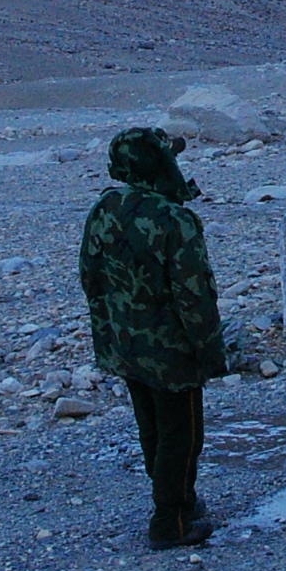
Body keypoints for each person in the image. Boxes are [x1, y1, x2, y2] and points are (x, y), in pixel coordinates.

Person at [79, 125, 228, 548]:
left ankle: (178, 498)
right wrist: (211, 351)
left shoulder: (105, 207)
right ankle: (171, 522)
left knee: (152, 429)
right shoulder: (174, 220)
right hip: (171, 352)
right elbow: (195, 296)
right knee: (183, 436)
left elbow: (89, 277)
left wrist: (110, 327)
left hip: (125, 344)